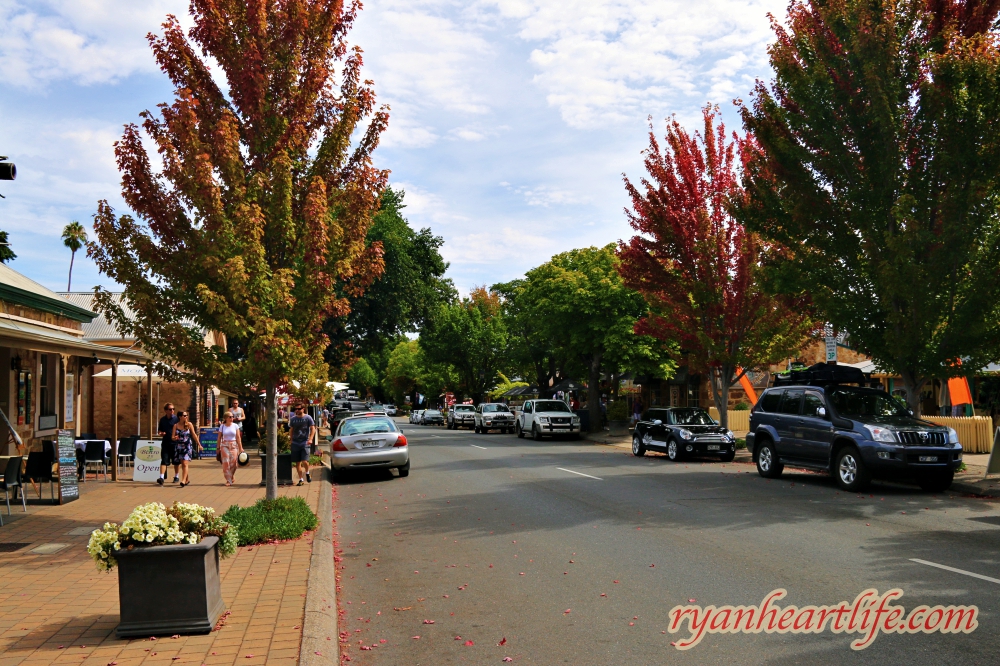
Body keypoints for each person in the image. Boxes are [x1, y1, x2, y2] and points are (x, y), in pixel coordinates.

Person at [171, 411, 202, 487]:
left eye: (186, 415)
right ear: (180, 417)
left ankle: (183, 480)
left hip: (187, 446)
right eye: (184, 415)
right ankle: (187, 479)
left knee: (185, 463)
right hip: (179, 446)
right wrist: (174, 438)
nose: (186, 417)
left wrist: (199, 444)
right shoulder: (175, 425)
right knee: (182, 463)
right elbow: (172, 437)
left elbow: (194, 435)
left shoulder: (189, 424)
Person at [289, 403, 316, 486]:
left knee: (304, 461)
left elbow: (313, 429)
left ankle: (307, 473)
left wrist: (310, 439)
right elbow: (291, 430)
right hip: (295, 442)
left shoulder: (308, 418)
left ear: (303, 409)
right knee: (297, 463)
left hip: (305, 442)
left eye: (299, 409)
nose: (297, 410)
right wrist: (291, 440)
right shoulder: (293, 419)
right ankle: (301, 479)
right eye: (296, 409)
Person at [218, 411, 244, 486]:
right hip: (224, 445)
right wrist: (217, 448)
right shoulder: (222, 426)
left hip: (233, 445)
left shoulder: (235, 426)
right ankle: (228, 480)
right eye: (230, 417)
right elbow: (219, 438)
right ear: (226, 418)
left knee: (234, 463)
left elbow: (238, 437)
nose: (232, 418)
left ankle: (231, 475)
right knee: (226, 463)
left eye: (232, 416)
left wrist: (240, 448)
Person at [157, 403, 179, 486]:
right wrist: (161, 433)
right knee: (164, 460)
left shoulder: (176, 419)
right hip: (166, 442)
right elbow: (159, 430)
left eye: (173, 409)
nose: (172, 411)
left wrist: (177, 436)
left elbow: (180, 429)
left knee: (176, 461)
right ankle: (161, 477)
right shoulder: (163, 420)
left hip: (175, 443)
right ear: (166, 411)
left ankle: (176, 476)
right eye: (170, 409)